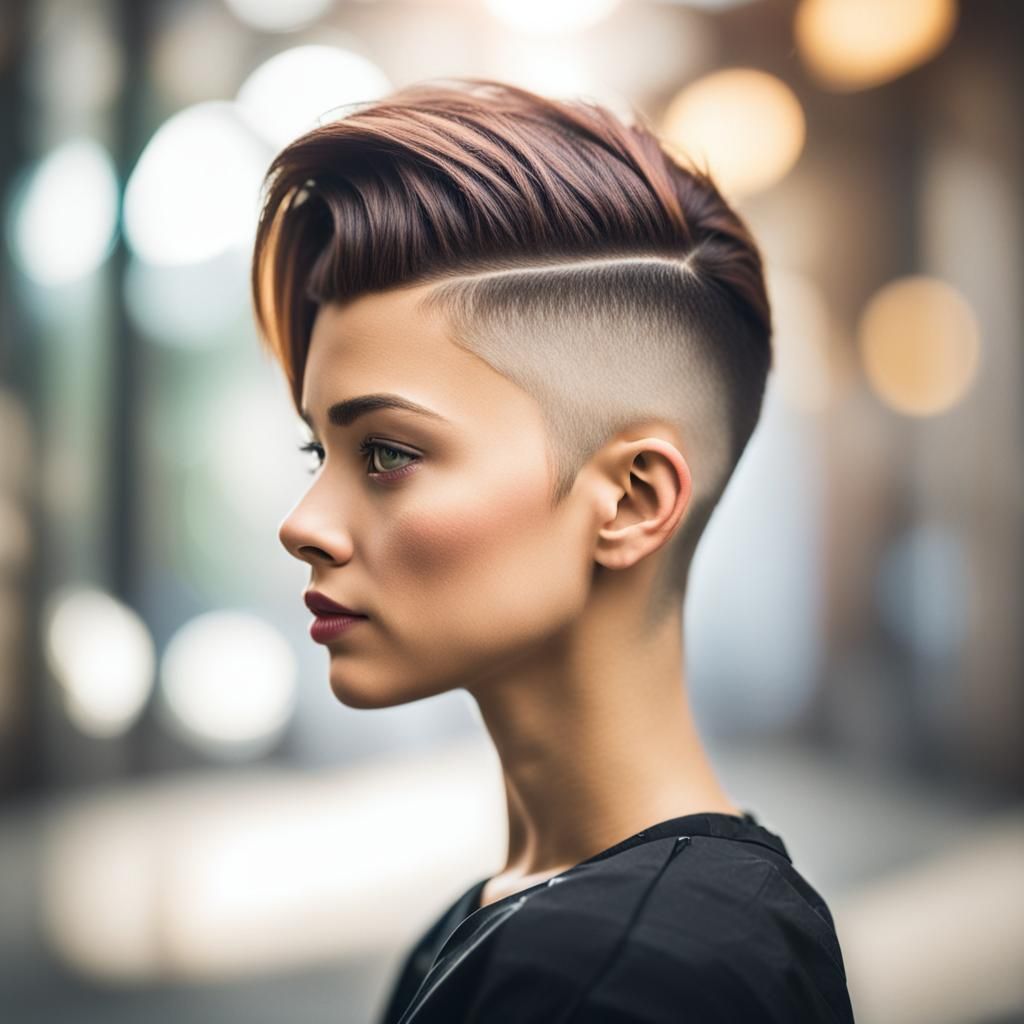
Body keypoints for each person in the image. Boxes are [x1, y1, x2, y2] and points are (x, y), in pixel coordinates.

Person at [250, 77, 855, 1023]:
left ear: (631, 499)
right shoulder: (542, 925)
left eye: (388, 453)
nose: (303, 524)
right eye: (316, 452)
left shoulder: (630, 983)